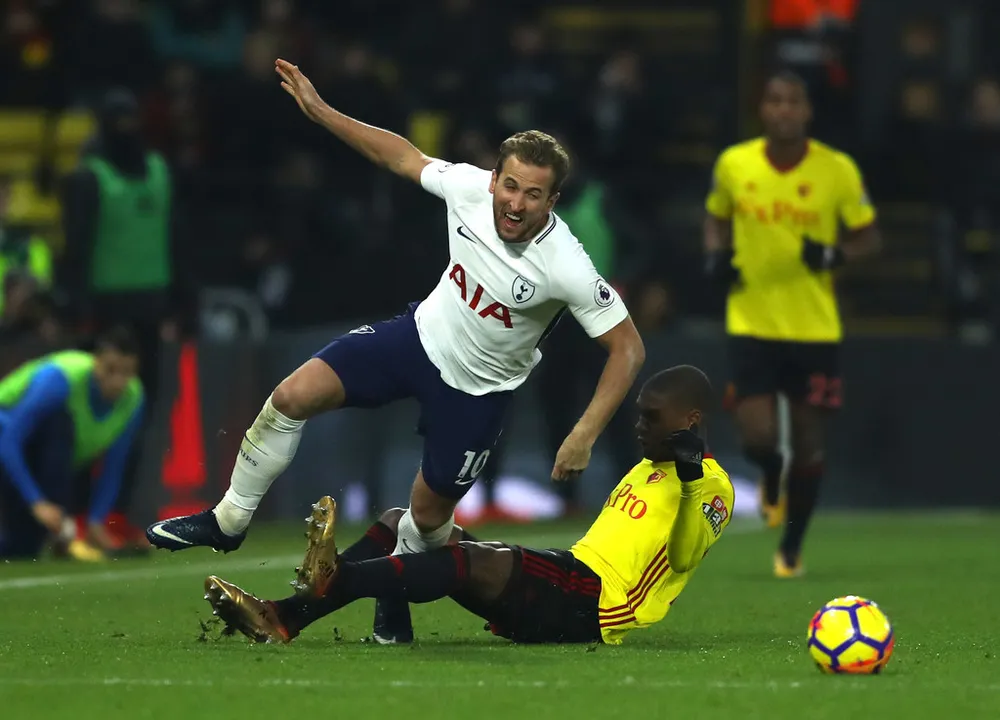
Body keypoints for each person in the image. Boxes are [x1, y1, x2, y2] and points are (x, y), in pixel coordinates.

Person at [148, 59, 646, 647]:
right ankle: (229, 520)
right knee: (292, 396)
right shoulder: (466, 188)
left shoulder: (565, 262)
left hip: (478, 394)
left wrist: (584, 432)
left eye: (533, 195)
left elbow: (628, 349)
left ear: (552, 200)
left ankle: (394, 608)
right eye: (509, 186)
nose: (515, 204)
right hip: (416, 339)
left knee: (428, 525)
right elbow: (398, 155)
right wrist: (323, 112)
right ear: (494, 179)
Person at [202, 366, 734, 646]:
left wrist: (690, 481)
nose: (639, 426)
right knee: (399, 523)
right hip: (570, 575)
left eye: (652, 417)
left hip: (599, 606)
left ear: (689, 420)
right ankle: (285, 619)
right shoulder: (647, 467)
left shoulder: (712, 487)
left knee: (469, 562)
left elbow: (685, 559)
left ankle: (332, 579)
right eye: (639, 415)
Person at [703, 71, 881, 578]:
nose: (783, 110)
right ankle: (768, 470)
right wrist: (716, 252)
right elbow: (714, 216)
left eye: (793, 102)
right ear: (763, 109)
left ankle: (792, 547)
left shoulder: (837, 170)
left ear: (807, 111)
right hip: (751, 319)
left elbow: (870, 238)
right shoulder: (735, 164)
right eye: (774, 100)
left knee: (809, 441)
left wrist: (834, 253)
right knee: (757, 434)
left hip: (813, 327)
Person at [60, 87, 182, 546]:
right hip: (105, 314)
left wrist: (180, 301)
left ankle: (112, 515)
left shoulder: (157, 173)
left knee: (136, 419)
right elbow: (75, 248)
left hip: (148, 312)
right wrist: (77, 311)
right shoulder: (89, 179)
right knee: (87, 417)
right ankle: (77, 514)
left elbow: (175, 235)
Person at [0, 327, 144, 559]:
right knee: (59, 424)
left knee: (22, 550)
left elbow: (113, 466)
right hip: (10, 446)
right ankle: (60, 537)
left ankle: (51, 537)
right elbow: (8, 441)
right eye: (111, 370)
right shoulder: (60, 379)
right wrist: (37, 502)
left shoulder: (133, 398)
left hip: (41, 461)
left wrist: (96, 521)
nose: (118, 382)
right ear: (95, 363)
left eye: (127, 373)